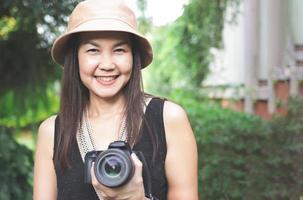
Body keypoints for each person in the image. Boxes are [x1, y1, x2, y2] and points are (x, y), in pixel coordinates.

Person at [33, 0, 198, 199]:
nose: (107, 64)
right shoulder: (52, 132)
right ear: (75, 58)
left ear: (133, 57)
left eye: (119, 50)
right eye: (93, 50)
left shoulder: (168, 119)